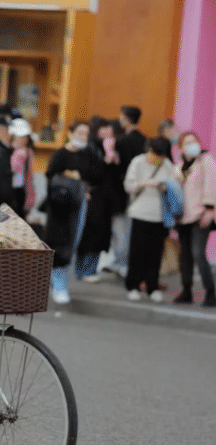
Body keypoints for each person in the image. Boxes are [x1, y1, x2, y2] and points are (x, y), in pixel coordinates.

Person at [43, 121, 104, 304]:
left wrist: (84, 186)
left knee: (72, 243)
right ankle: (58, 283)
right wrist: (68, 178)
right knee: (59, 243)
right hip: (60, 206)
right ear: (70, 133)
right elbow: (51, 176)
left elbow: (97, 176)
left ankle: (60, 282)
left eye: (86, 134)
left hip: (80, 205)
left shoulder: (89, 155)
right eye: (79, 133)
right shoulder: (60, 154)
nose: (82, 137)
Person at [124, 137, 174, 302]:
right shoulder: (138, 162)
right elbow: (128, 185)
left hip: (160, 215)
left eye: (160, 154)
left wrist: (165, 187)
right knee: (137, 252)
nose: (156, 157)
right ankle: (133, 285)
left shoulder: (167, 165)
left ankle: (152, 286)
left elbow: (173, 186)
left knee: (155, 254)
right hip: (140, 213)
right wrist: (144, 183)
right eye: (154, 153)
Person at [173, 131, 216, 307]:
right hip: (182, 217)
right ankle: (186, 291)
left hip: (200, 215)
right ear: (181, 147)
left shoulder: (206, 160)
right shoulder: (178, 167)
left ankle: (211, 292)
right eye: (187, 142)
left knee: (199, 254)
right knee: (185, 256)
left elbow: (212, 183)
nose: (191, 145)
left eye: (194, 141)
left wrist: (209, 208)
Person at [105, 105, 147, 278]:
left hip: (120, 191)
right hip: (140, 190)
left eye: (121, 116)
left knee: (120, 229)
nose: (119, 119)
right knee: (131, 229)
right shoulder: (144, 140)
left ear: (127, 119)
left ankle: (121, 263)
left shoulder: (121, 141)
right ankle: (126, 263)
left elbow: (117, 168)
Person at [75, 117, 118, 283]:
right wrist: (106, 160)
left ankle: (88, 270)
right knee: (91, 234)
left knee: (96, 234)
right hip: (93, 196)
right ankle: (85, 270)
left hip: (103, 197)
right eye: (104, 128)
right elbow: (92, 172)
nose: (108, 131)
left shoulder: (102, 146)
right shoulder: (90, 148)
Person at [9, 117, 36, 219]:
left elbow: (30, 178)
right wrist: (18, 156)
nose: (23, 139)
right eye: (19, 136)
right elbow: (10, 170)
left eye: (25, 136)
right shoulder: (5, 151)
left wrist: (30, 200)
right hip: (7, 192)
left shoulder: (28, 152)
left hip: (20, 192)